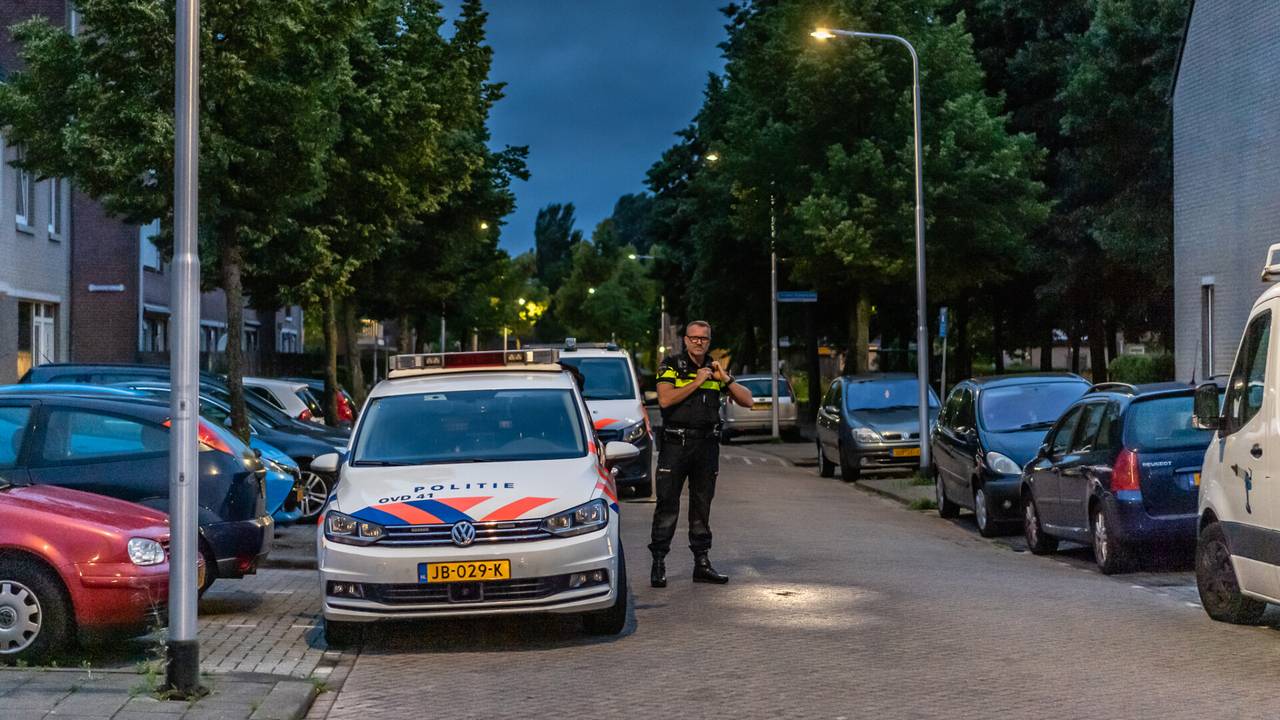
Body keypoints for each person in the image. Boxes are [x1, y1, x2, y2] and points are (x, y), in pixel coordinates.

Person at [649, 320, 753, 587]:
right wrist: (696, 382)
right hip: (676, 444)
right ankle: (659, 563)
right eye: (694, 338)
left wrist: (725, 379)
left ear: (709, 341)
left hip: (706, 446)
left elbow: (748, 401)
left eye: (704, 339)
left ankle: (702, 563)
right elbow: (665, 400)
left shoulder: (715, 370)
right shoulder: (670, 365)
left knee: (701, 506)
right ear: (685, 340)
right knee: (667, 504)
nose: (699, 342)